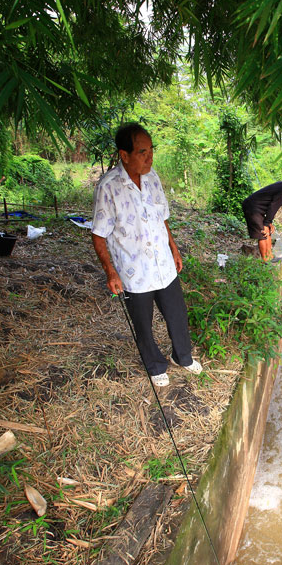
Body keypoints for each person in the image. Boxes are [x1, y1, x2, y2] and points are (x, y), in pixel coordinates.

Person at [91, 122, 202, 387]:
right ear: (124, 155)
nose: (150, 157)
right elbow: (98, 234)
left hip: (162, 263)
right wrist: (111, 272)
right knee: (143, 323)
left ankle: (182, 356)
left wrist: (174, 249)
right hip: (133, 270)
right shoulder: (108, 187)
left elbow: (162, 218)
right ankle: (154, 364)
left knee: (177, 312)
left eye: (151, 150)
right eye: (142, 152)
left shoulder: (153, 178)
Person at [241, 172, 282, 261]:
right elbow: (273, 206)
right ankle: (265, 261)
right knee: (262, 233)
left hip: (258, 209)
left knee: (268, 232)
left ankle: (270, 257)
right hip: (252, 208)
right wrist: (266, 224)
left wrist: (269, 223)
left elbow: (271, 205)